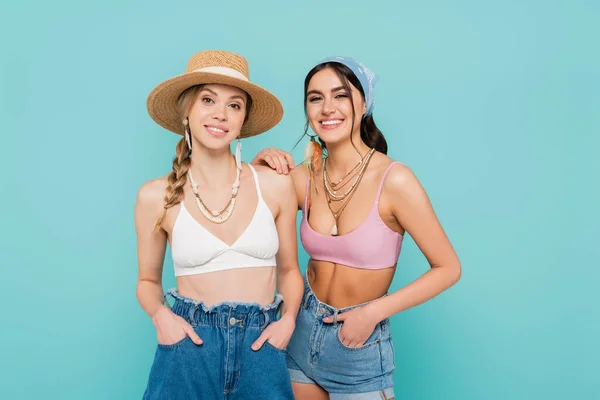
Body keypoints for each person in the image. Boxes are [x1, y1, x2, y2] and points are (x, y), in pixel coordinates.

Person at [252, 56, 462, 400]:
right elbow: (234, 205)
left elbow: (448, 268)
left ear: (364, 104)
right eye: (315, 98)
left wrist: (374, 312)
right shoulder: (303, 176)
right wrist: (257, 164)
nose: (327, 108)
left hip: (359, 342)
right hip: (300, 330)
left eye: (341, 95)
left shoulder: (395, 180)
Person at [134, 49, 303, 400]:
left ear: (243, 119)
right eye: (208, 99)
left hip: (262, 346)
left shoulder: (274, 185)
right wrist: (160, 317)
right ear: (187, 111)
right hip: (189, 347)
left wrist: (286, 323)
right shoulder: (154, 196)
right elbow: (148, 281)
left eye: (235, 105)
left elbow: (288, 271)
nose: (220, 115)